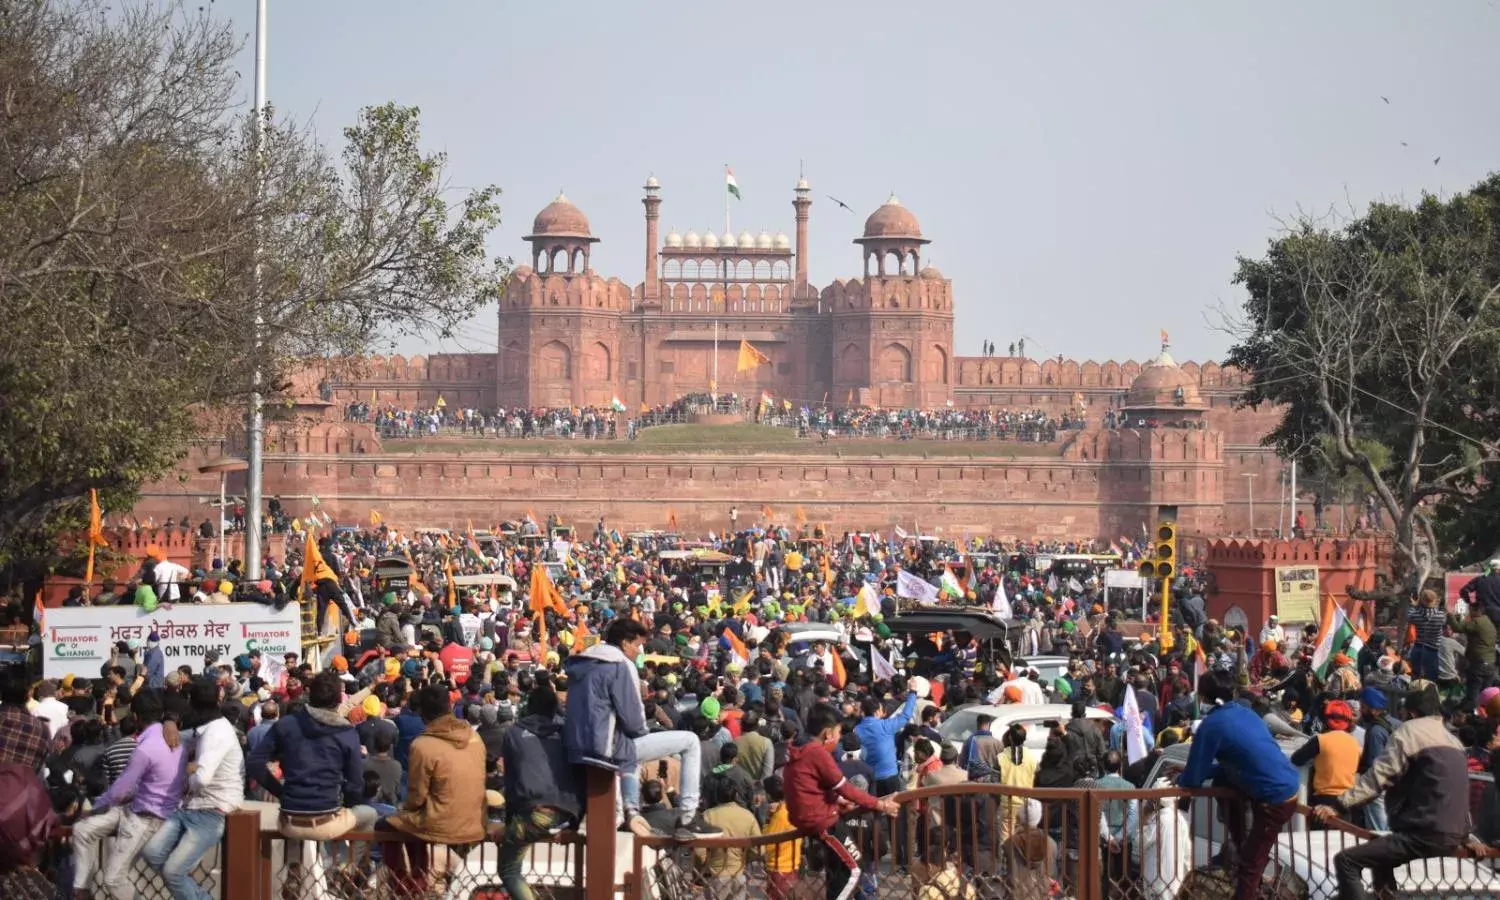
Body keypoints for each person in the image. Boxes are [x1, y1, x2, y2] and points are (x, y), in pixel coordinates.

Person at [562, 617, 720, 839]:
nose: (639, 651)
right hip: (606, 748)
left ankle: (628, 810)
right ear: (625, 643)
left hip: (577, 748)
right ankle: (688, 816)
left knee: (631, 754)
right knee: (690, 742)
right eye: (637, 645)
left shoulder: (583, 664)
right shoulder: (620, 664)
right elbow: (635, 722)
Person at [1313, 685, 1472, 900]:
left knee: (1346, 861)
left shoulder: (1410, 732)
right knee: (1381, 866)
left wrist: (1337, 805)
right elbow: (1458, 793)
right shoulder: (1454, 742)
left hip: (1422, 832)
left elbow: (1378, 776)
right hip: (1451, 834)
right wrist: (1467, 836)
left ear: (1412, 713)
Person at [1179, 670, 1300, 900]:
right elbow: (1235, 764)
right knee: (1221, 781)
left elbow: (1193, 778)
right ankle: (1240, 842)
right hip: (1285, 784)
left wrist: (1181, 777)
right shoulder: (1246, 713)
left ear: (1204, 698)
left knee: (1249, 868)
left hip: (1275, 798)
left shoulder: (1212, 724)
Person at [72, 690, 185, 900]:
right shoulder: (174, 737)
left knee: (113, 879)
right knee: (81, 830)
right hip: (136, 808)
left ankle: (82, 889)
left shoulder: (146, 747)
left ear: (135, 716)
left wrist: (95, 808)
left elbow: (120, 790)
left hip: (146, 818)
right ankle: (82, 890)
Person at [783, 703, 899, 900]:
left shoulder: (799, 751)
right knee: (855, 869)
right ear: (828, 733)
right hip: (823, 821)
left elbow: (810, 788)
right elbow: (845, 787)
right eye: (837, 733)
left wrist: (837, 801)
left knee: (839, 870)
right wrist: (880, 804)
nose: (838, 738)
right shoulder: (817, 752)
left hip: (809, 817)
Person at [378, 684, 486, 894]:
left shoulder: (423, 745)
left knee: (385, 824)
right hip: (476, 820)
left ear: (422, 713)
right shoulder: (474, 738)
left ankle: (408, 887)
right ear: (450, 706)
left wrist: (404, 810)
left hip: (440, 824)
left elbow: (416, 798)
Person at [141, 678, 244, 900]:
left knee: (172, 872)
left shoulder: (216, 733)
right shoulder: (205, 728)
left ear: (190, 701)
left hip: (212, 810)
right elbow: (178, 739)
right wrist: (168, 721)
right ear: (219, 699)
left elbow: (202, 778)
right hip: (190, 807)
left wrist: (186, 778)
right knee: (152, 853)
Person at [246, 670, 377, 844]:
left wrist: (281, 793)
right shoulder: (346, 733)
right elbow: (355, 785)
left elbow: (254, 762)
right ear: (339, 700)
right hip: (326, 821)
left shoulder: (287, 723)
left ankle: (295, 869)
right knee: (370, 814)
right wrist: (344, 803)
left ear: (309, 694)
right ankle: (347, 867)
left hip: (288, 821)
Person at [498, 682, 581, 900]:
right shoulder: (568, 732)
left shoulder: (513, 733)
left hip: (533, 814)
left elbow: (511, 780)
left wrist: (509, 821)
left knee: (509, 871)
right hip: (567, 812)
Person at [1290, 700, 1361, 828]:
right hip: (1348, 802)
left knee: (1320, 844)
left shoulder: (1320, 740)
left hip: (1323, 802)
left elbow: (1296, 759)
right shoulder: (1355, 743)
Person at [853, 690, 918, 796]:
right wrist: (913, 693)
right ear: (877, 711)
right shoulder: (886, 725)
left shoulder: (856, 730)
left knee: (876, 809)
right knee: (894, 808)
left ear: (863, 712)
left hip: (870, 778)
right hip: (890, 776)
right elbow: (906, 715)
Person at [1450, 601, 1496, 709]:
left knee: (1473, 694)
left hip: (1478, 664)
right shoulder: (1489, 622)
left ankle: (1473, 717)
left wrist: (1450, 615)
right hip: (1490, 663)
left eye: (1470, 610)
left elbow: (1458, 628)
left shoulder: (1477, 622)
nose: (1469, 613)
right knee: (1485, 695)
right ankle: (1485, 717)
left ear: (1477, 611)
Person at [1407, 589, 1446, 681]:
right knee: (1431, 679)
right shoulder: (1440, 616)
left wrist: (1414, 606)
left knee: (1416, 679)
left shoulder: (1415, 615)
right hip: (1432, 651)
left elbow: (1408, 617)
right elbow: (1444, 621)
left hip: (1418, 649)